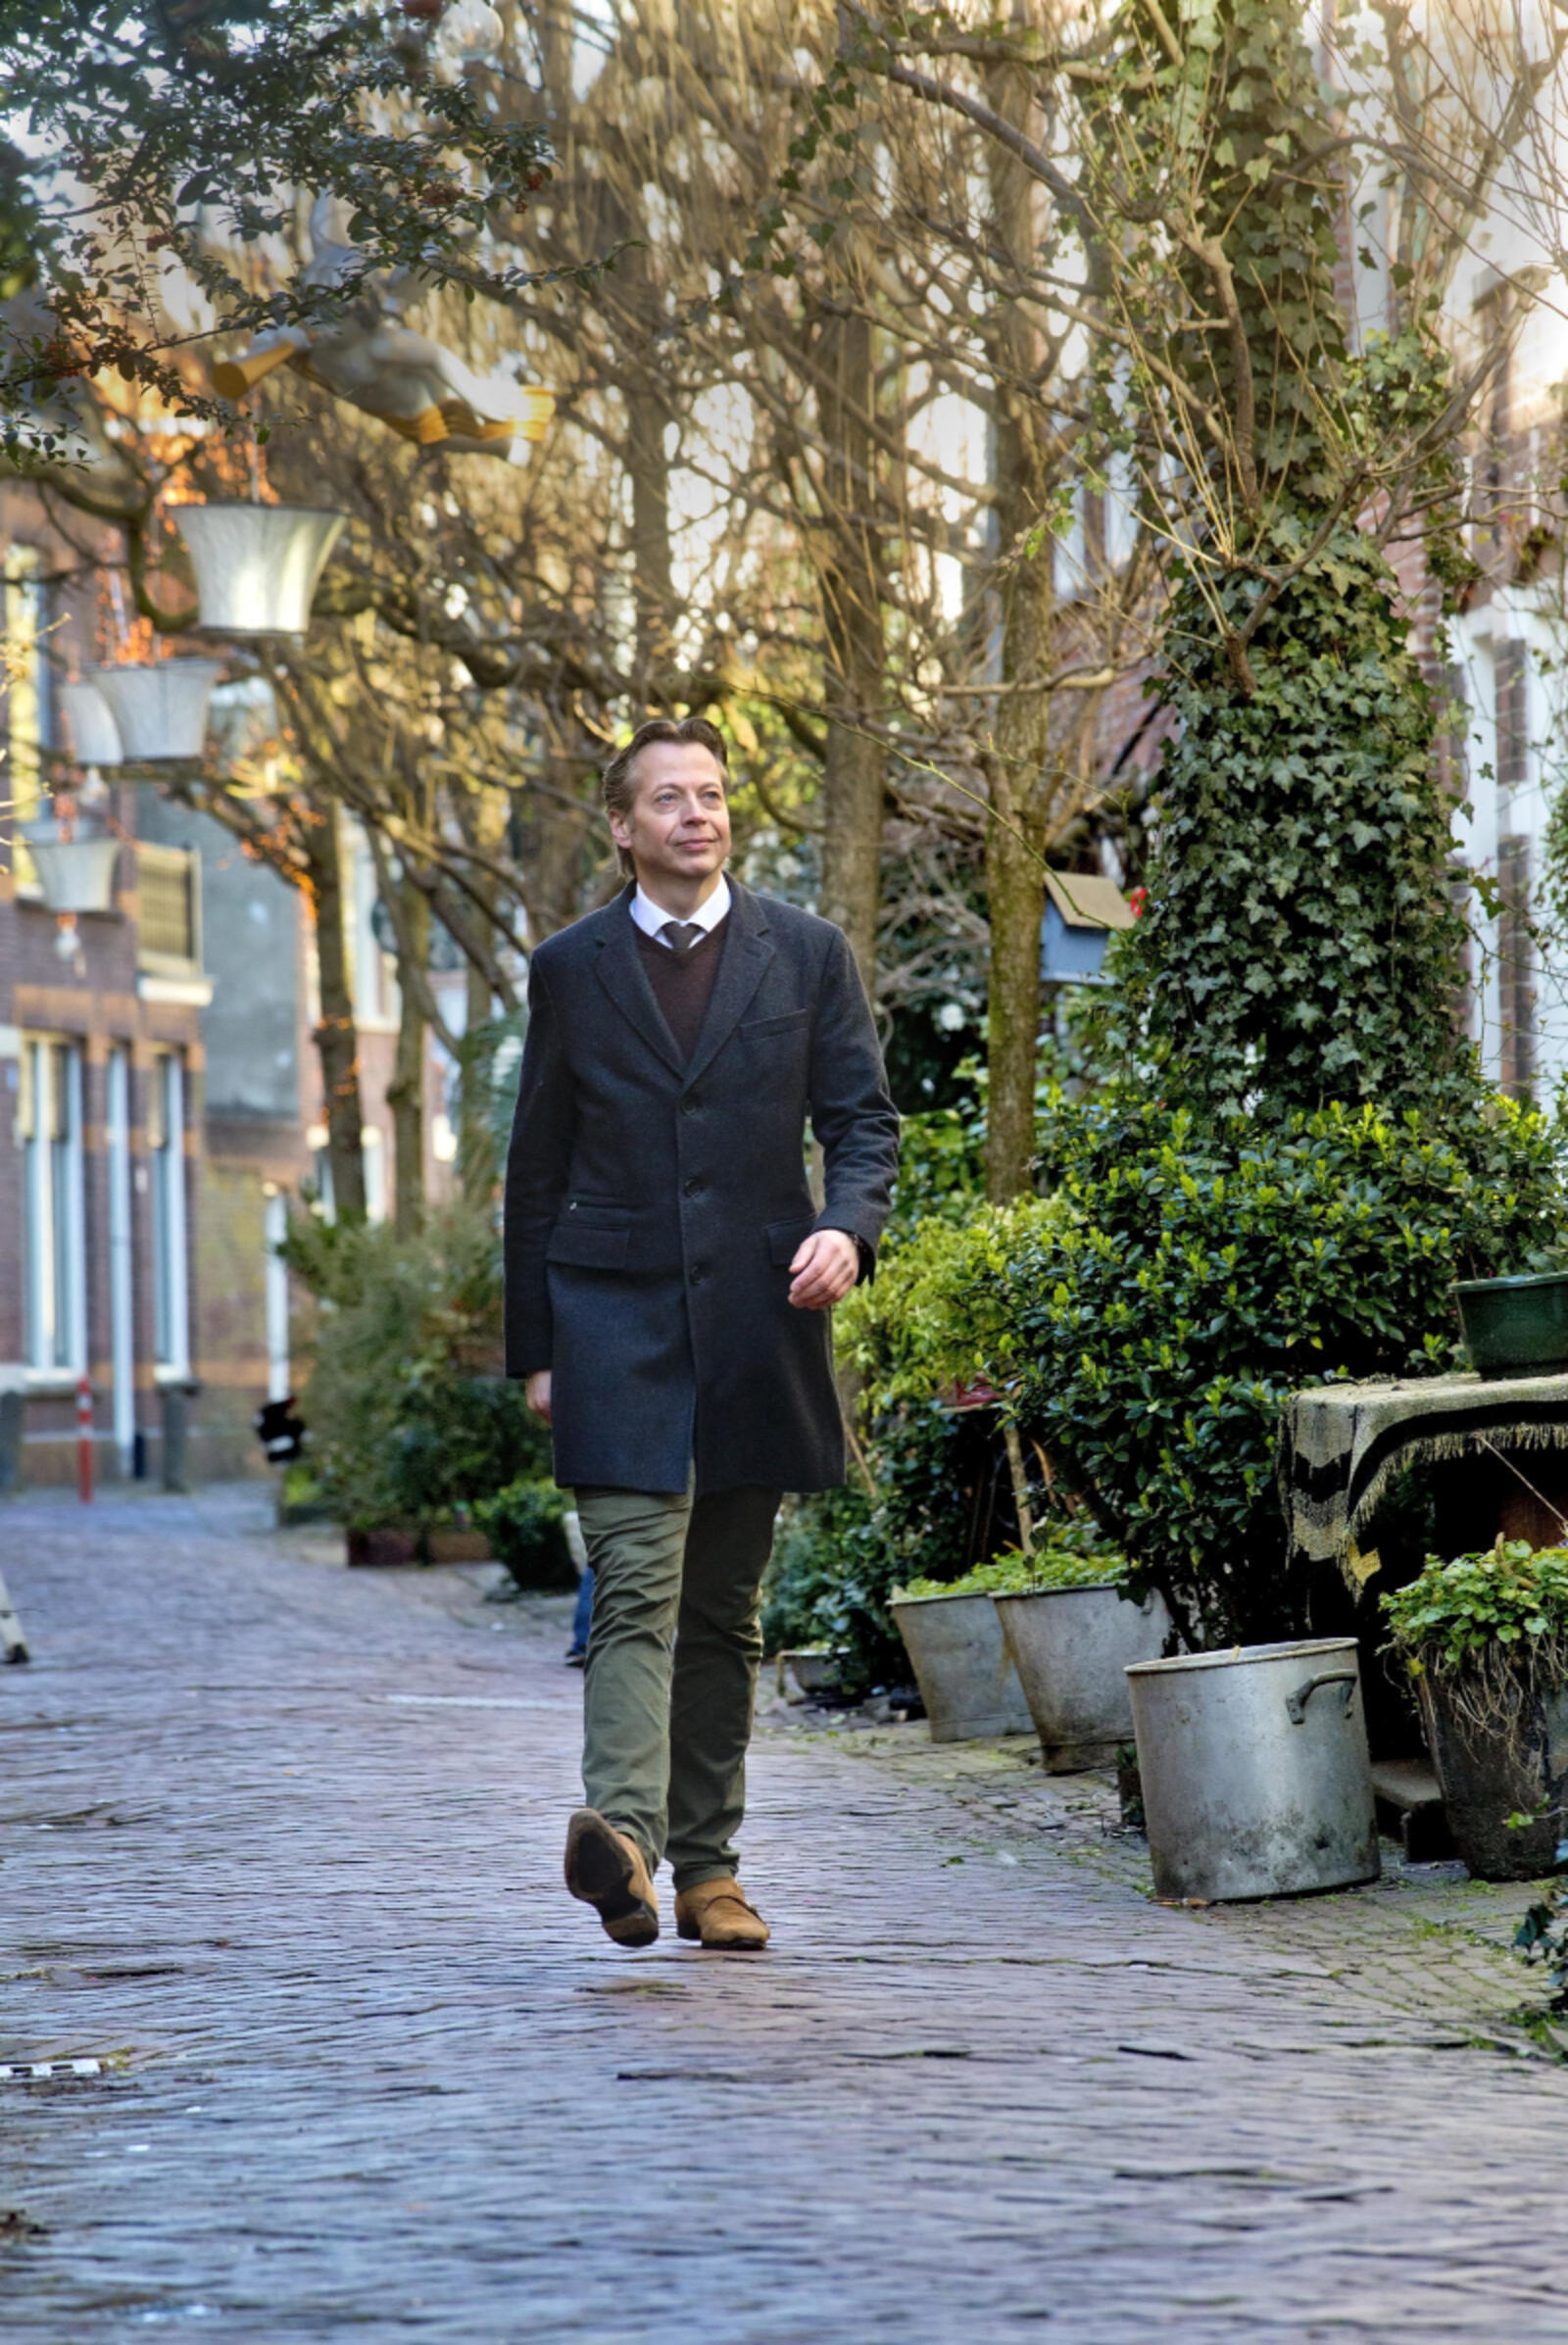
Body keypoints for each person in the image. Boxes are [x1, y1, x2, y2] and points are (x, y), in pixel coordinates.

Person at [505, 715, 899, 1951]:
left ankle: (708, 1872)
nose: (698, 813)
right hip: (610, 1314)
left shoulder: (805, 954)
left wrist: (848, 1229)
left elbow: (863, 1122)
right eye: (668, 797)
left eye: (713, 793)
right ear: (621, 827)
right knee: (634, 1585)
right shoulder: (571, 967)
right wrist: (536, 1348)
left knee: (724, 1609)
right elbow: (536, 1166)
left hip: (757, 1318)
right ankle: (622, 1837)